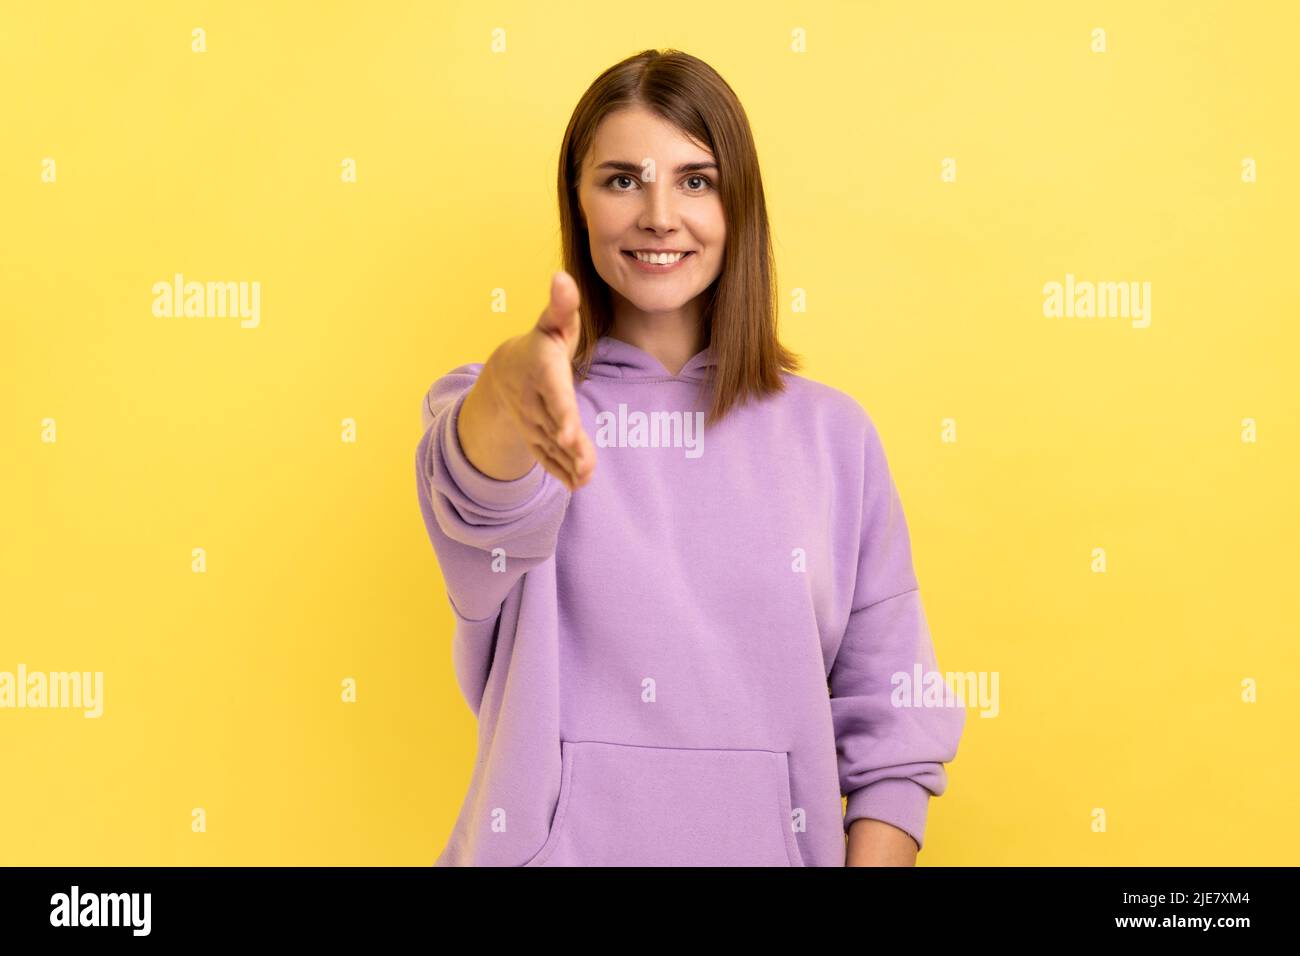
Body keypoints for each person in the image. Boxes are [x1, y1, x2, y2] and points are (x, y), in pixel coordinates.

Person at [416, 48, 965, 866]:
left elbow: (895, 725)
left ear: (738, 205)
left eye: (696, 180)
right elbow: (481, 492)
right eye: (621, 179)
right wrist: (509, 381)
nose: (659, 216)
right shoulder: (521, 413)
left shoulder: (834, 438)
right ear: (578, 204)